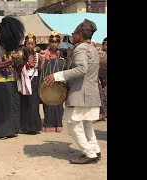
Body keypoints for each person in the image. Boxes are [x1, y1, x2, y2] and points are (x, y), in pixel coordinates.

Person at [44, 19, 101, 164]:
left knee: (73, 125)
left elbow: (82, 69)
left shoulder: (81, 48)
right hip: (90, 93)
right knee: (87, 124)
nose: (72, 35)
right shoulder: (92, 48)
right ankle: (95, 149)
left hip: (81, 94)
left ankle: (89, 153)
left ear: (80, 34)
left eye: (74, 33)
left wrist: (57, 76)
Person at [0, 16, 25, 139]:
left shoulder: (14, 51)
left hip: (12, 82)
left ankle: (12, 130)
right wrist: (11, 59)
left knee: (13, 106)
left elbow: (17, 68)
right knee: (2, 108)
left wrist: (21, 62)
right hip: (0, 83)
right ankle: (0, 131)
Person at [40, 31, 64, 133]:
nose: (54, 44)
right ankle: (48, 124)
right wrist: (42, 60)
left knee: (59, 102)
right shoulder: (44, 53)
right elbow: (41, 68)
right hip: (48, 81)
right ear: (49, 42)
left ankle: (58, 124)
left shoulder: (61, 53)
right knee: (48, 102)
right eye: (52, 42)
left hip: (58, 81)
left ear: (58, 43)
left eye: (56, 42)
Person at [19, 32, 42, 134]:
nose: (30, 46)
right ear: (25, 44)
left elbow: (40, 68)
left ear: (35, 45)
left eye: (32, 44)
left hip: (34, 80)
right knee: (25, 103)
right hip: (24, 79)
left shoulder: (39, 56)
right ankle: (24, 126)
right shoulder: (21, 55)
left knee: (34, 103)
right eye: (28, 44)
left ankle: (34, 127)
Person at [97, 37, 107, 121]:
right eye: (106, 45)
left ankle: (104, 113)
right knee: (100, 96)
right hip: (99, 78)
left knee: (105, 96)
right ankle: (102, 114)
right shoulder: (99, 53)